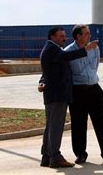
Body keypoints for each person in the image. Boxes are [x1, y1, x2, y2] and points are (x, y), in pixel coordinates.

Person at [38, 27, 98, 168]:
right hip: (58, 94)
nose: (64, 38)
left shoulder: (51, 49)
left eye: (64, 36)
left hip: (53, 93)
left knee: (51, 126)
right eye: (61, 36)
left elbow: (49, 72)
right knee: (56, 126)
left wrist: (42, 82)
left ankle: (46, 156)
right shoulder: (53, 49)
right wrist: (86, 49)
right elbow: (66, 57)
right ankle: (55, 157)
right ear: (53, 37)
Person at [64, 24, 103, 165]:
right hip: (78, 91)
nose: (89, 35)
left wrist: (90, 74)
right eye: (86, 33)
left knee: (100, 122)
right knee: (78, 124)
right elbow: (77, 70)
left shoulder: (95, 48)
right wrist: (84, 53)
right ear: (78, 36)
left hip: (94, 89)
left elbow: (95, 66)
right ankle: (80, 154)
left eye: (89, 33)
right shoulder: (69, 51)